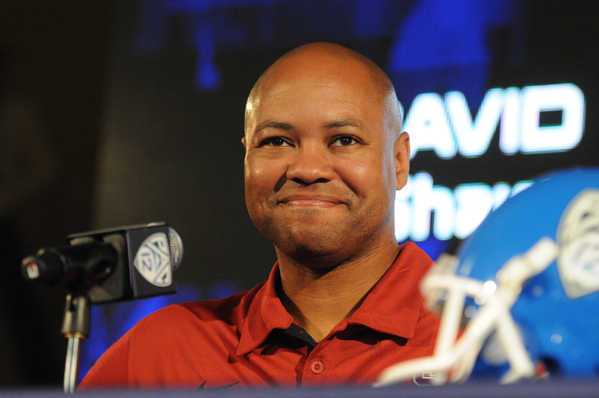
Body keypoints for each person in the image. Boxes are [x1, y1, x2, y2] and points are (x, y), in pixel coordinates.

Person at [79, 42, 439, 389]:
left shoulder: (479, 336)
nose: (307, 169)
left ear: (399, 161)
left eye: (344, 140)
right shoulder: (160, 351)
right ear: (246, 158)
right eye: (276, 141)